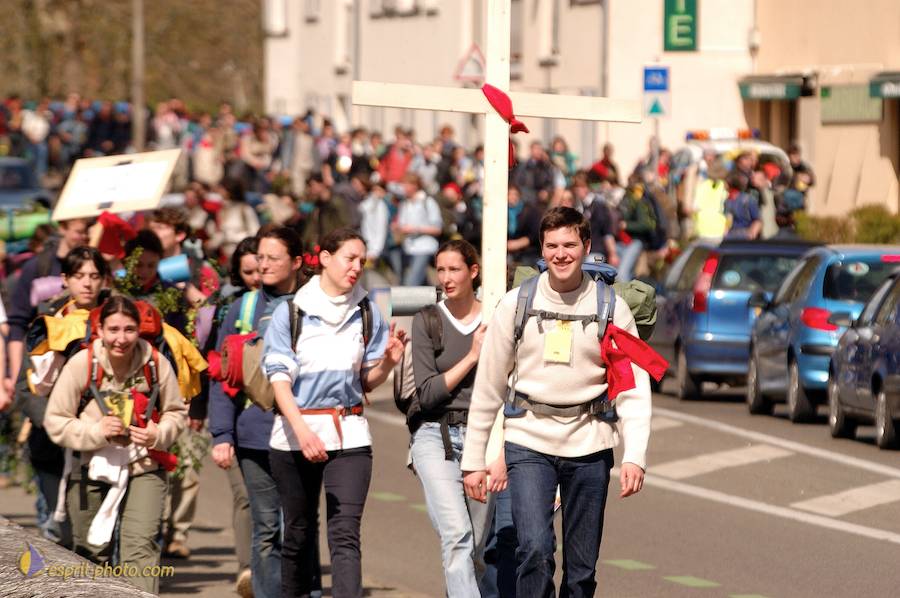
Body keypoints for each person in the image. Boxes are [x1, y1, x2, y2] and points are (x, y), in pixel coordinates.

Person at [461, 207, 652, 597]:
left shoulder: (611, 307)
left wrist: (635, 454)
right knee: (534, 550)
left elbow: (632, 387)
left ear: (586, 247)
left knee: (581, 570)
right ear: (542, 249)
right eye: (552, 246)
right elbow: (489, 386)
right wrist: (474, 460)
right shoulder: (517, 304)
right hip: (529, 440)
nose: (560, 254)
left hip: (591, 444)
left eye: (569, 245)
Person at [263, 228, 403, 598]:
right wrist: (302, 431)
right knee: (298, 533)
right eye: (349, 258)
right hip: (294, 435)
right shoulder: (290, 311)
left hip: (350, 433)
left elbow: (366, 382)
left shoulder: (368, 311)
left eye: (362, 260)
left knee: (345, 535)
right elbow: (278, 380)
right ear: (324, 258)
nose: (356, 267)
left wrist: (388, 362)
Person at [44, 296, 187, 594]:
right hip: (90, 465)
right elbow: (56, 420)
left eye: (129, 329)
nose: (121, 339)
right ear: (100, 330)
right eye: (113, 330)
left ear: (139, 330)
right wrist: (97, 431)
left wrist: (157, 433)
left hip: (143, 464)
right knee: (91, 551)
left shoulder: (155, 362)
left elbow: (177, 412)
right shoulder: (82, 364)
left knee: (139, 549)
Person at [209, 226, 307, 598]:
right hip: (254, 434)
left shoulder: (313, 306)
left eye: (272, 258)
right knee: (266, 526)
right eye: (260, 258)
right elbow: (222, 375)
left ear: (297, 262)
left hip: (303, 434)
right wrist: (222, 434)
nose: (263, 265)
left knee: (297, 526)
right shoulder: (243, 307)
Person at [409, 240, 507, 596]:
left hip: (485, 436)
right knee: (457, 536)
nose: (447, 278)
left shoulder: (498, 317)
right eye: (441, 270)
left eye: (455, 269)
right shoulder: (428, 320)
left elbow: (509, 390)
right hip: (435, 435)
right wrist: (472, 356)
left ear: (474, 272)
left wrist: (500, 453)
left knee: (476, 549)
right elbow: (429, 393)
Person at [18, 247, 109, 544]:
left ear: (105, 280)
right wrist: (52, 421)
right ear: (65, 279)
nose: (87, 283)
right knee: (59, 530)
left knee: (98, 531)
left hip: (104, 440)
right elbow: (26, 383)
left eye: (95, 276)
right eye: (79, 276)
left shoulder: (118, 320)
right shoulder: (48, 319)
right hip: (52, 441)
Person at [7, 218, 91, 399]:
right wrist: (17, 377)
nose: (85, 237)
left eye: (88, 232)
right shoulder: (37, 266)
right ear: (63, 227)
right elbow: (17, 322)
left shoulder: (96, 267)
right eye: (79, 231)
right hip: (40, 366)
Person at [394, 173, 443, 286]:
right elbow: (402, 224)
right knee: (422, 284)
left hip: (424, 248)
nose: (403, 188)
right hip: (409, 248)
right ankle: (435, 300)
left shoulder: (428, 202)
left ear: (415, 186)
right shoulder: (404, 204)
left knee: (411, 283)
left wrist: (415, 229)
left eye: (406, 185)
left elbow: (437, 228)